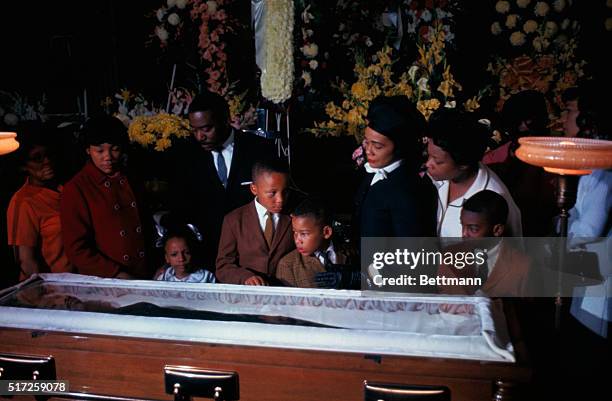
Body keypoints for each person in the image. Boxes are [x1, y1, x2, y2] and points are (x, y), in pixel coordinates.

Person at [170, 91, 275, 267]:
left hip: (255, 256)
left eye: (206, 129)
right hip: (205, 258)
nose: (199, 137)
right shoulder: (185, 155)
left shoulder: (259, 149)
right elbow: (180, 208)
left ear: (226, 119)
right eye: (194, 130)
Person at [60, 115, 150, 279]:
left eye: (114, 149)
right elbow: (76, 249)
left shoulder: (131, 178)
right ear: (88, 150)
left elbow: (146, 227)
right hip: (106, 277)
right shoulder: (76, 188)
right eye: (99, 150)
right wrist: (115, 273)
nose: (108, 157)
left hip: (143, 272)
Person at [425, 108, 522, 238]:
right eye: (428, 156)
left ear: (463, 164)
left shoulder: (495, 199)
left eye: (437, 161)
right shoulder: (438, 177)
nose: (428, 164)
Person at [354, 95, 437, 238]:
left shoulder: (407, 190)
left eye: (378, 146)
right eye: (366, 142)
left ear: (398, 147)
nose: (368, 151)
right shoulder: (371, 171)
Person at [7, 126, 73, 280]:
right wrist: (46, 296)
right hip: (52, 290)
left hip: (79, 283)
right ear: (23, 165)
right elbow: (26, 262)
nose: (47, 161)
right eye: (37, 158)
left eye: (48, 155)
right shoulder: (23, 202)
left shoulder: (66, 188)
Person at [215, 158, 295, 285]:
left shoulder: (295, 217)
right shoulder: (234, 220)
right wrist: (245, 277)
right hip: (248, 298)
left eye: (285, 192)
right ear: (254, 189)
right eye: (272, 193)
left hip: (286, 294)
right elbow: (223, 266)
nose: (280, 199)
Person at [437, 190, 531, 297]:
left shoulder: (522, 267)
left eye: (473, 229)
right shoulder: (447, 256)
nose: (464, 233)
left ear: (497, 230)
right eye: (462, 225)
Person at [488, 90, 557, 236]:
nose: (523, 127)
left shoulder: (556, 159)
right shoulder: (493, 158)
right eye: (517, 122)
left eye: (530, 122)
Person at [276, 198, 357, 288]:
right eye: (295, 232)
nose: (297, 240)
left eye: (304, 234)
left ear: (326, 232)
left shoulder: (352, 253)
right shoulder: (288, 265)